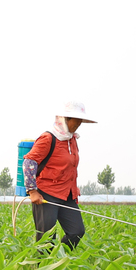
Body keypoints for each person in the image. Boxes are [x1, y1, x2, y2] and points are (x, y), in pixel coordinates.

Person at [23, 101, 96, 250]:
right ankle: (42, 268)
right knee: (46, 237)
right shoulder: (49, 138)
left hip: (67, 195)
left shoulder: (72, 140)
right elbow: (29, 162)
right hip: (46, 194)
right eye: (77, 119)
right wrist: (32, 191)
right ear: (66, 119)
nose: (80, 123)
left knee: (77, 231)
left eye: (81, 120)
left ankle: (59, 259)